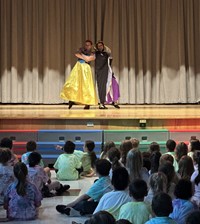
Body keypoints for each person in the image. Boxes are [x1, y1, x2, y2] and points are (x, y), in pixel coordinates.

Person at [60, 40, 98, 110]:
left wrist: (83, 57)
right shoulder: (81, 49)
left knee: (86, 86)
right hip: (78, 66)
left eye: (88, 45)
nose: (87, 46)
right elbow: (77, 54)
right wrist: (84, 57)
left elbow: (90, 58)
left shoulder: (93, 52)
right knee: (74, 83)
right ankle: (71, 100)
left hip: (86, 68)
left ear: (91, 45)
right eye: (86, 44)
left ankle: (87, 103)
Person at [95, 41, 111, 109]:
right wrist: (95, 48)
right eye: (99, 46)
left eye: (101, 45)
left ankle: (102, 103)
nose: (100, 47)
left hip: (104, 71)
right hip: (99, 71)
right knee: (100, 87)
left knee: (104, 87)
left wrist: (104, 46)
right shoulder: (96, 53)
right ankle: (100, 102)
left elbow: (109, 51)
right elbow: (92, 51)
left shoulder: (106, 53)